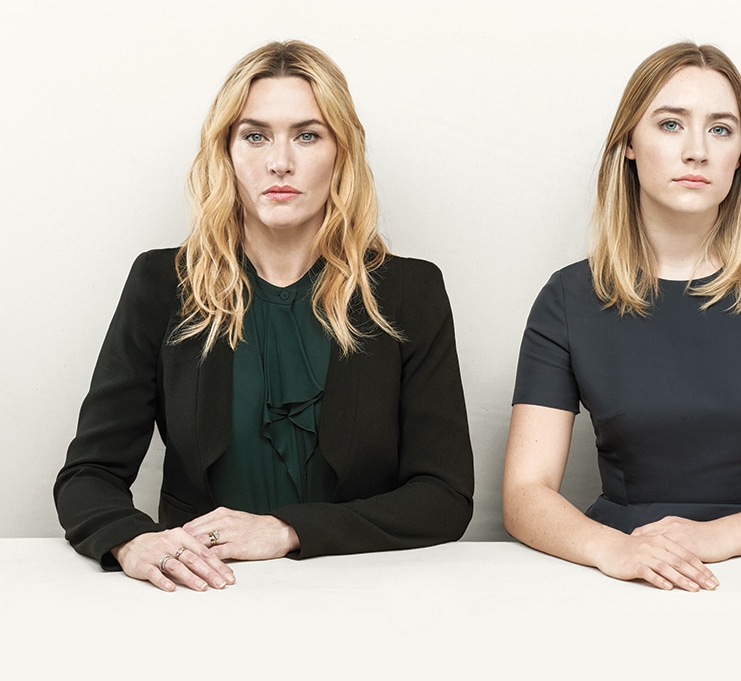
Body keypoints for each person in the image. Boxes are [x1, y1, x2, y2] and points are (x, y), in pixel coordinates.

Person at [55, 40, 474, 592]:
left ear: (342, 153)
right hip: (200, 593)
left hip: (362, 591)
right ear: (226, 152)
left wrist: (286, 530)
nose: (280, 162)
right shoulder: (163, 283)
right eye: (255, 136)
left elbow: (444, 496)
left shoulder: (408, 292)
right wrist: (131, 540)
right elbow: (89, 475)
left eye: (307, 135)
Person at [503, 42, 741, 592]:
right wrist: (614, 550)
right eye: (671, 124)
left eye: (721, 129)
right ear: (629, 143)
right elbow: (525, 493)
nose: (697, 151)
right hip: (622, 575)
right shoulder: (568, 297)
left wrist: (717, 538)